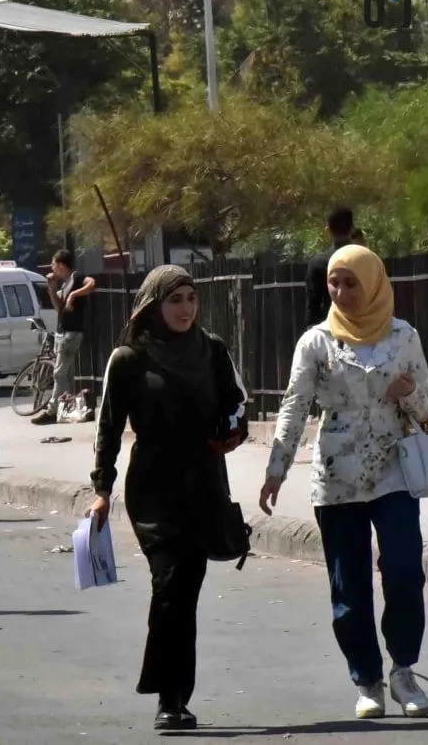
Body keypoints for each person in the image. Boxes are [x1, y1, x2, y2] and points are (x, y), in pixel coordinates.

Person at [263, 244, 428, 721]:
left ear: (373, 283)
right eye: (334, 283)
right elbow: (294, 406)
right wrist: (277, 469)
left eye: (351, 282)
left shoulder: (404, 337)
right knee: (349, 585)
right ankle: (367, 680)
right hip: (337, 476)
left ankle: (403, 671)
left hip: (394, 470)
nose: (340, 292)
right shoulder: (316, 342)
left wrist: (410, 394)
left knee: (403, 570)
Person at [89, 265, 248, 732]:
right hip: (153, 490)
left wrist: (232, 433)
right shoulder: (129, 359)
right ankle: (166, 694)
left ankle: (174, 698)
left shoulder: (211, 350)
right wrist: (102, 489)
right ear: (154, 304)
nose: (185, 309)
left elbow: (235, 403)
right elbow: (109, 428)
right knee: (169, 585)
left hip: (203, 484)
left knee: (186, 594)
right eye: (175, 299)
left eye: (191, 298)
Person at [34, 249, 95, 426]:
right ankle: (65, 407)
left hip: (72, 332)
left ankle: (52, 410)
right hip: (62, 331)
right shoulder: (64, 283)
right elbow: (58, 308)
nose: (52, 268)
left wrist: (74, 295)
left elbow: (92, 284)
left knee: (58, 372)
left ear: (61, 265)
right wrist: (51, 288)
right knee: (66, 375)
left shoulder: (77, 278)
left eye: (53, 264)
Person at [305, 206, 358, 328]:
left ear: (328, 230)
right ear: (353, 229)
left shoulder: (317, 263)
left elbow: (313, 305)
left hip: (331, 330)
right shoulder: (367, 259)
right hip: (364, 328)